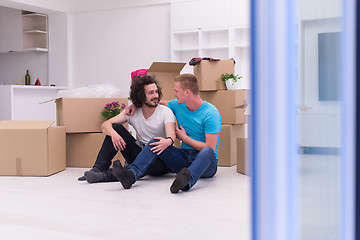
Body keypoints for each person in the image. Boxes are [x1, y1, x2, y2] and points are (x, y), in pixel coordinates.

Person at [112, 73, 222, 193]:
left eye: (176, 91)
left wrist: (184, 138)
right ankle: (131, 176)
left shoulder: (211, 113)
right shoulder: (178, 104)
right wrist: (135, 104)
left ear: (187, 92)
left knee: (208, 151)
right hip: (185, 157)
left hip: (206, 163)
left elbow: (209, 147)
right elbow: (155, 101)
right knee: (156, 140)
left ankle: (186, 182)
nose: (174, 94)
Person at [79, 74, 176, 183]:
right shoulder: (133, 112)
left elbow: (171, 135)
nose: (155, 96)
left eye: (156, 92)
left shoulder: (165, 112)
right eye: (151, 93)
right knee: (116, 127)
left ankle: (104, 176)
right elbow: (105, 125)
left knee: (142, 164)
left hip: (160, 159)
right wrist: (113, 134)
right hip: (140, 152)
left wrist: (168, 141)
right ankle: (98, 169)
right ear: (141, 96)